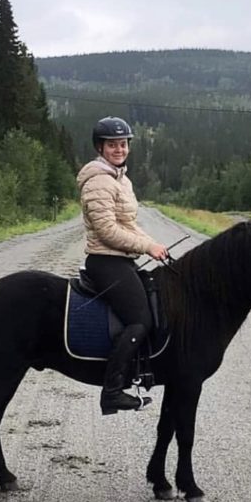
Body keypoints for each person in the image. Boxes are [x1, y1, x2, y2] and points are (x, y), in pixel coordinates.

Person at [77, 116, 169, 415]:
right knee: (140, 319)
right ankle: (113, 391)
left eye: (123, 144)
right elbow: (106, 230)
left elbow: (128, 224)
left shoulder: (121, 179)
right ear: (100, 148)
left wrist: (155, 245)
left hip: (121, 261)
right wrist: (146, 247)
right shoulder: (99, 181)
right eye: (112, 144)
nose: (118, 149)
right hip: (105, 262)